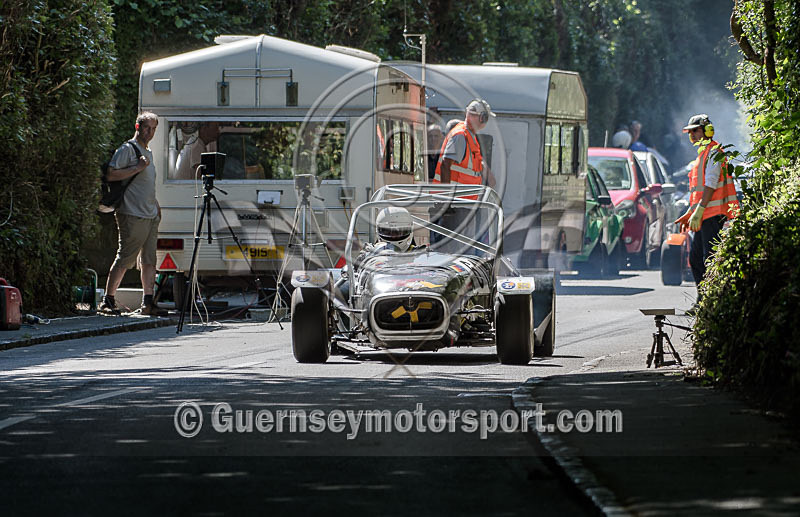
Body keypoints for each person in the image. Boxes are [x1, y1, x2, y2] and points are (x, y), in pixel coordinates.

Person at [98, 112, 167, 316]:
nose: (150, 132)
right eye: (146, 128)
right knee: (125, 257)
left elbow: (145, 184)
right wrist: (137, 167)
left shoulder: (148, 152)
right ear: (138, 127)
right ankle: (108, 301)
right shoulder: (127, 149)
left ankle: (148, 302)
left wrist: (155, 204)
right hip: (132, 213)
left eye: (153, 129)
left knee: (149, 260)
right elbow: (111, 174)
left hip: (150, 214)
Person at [674, 114, 739, 298]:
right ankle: (704, 298)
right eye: (690, 132)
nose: (692, 135)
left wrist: (700, 210)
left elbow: (710, 184)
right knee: (696, 259)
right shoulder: (703, 155)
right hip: (704, 214)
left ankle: (711, 300)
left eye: (695, 130)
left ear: (707, 131)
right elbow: (699, 191)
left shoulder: (713, 152)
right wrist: (691, 212)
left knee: (709, 258)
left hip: (712, 214)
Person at [433, 100, 496, 189]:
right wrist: (447, 195)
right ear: (482, 118)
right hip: (456, 196)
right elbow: (445, 165)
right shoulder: (460, 136)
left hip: (462, 196)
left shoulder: (469, 136)